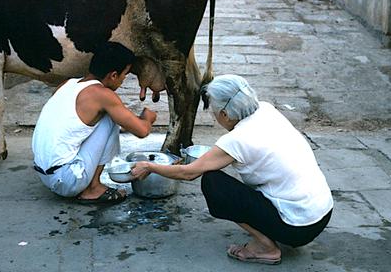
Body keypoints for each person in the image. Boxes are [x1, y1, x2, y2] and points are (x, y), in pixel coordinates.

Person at [131, 75, 333, 265]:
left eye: (214, 113)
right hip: (322, 213)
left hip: (298, 227)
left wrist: (149, 166)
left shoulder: (237, 140)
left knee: (213, 182)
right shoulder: (266, 110)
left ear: (225, 114)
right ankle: (267, 229)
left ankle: (265, 248)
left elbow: (189, 173)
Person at [32, 41, 158, 205]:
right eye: (124, 76)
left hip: (45, 175)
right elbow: (142, 131)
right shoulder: (102, 95)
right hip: (66, 181)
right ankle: (93, 188)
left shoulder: (68, 84)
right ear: (113, 75)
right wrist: (148, 117)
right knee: (109, 119)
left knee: (102, 117)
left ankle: (87, 183)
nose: (122, 81)